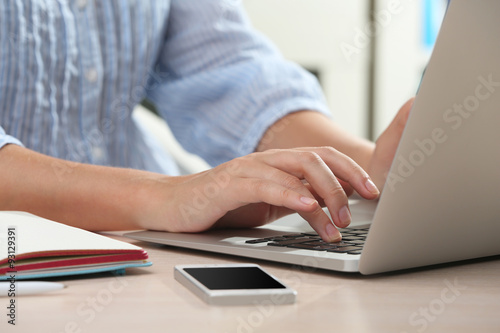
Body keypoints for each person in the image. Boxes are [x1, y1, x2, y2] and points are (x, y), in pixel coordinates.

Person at [0, 1, 412, 243]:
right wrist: (161, 197)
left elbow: (228, 69)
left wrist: (364, 172)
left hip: (146, 247)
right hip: (22, 263)